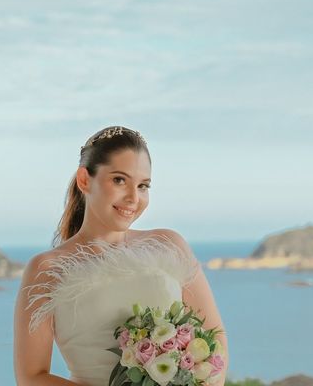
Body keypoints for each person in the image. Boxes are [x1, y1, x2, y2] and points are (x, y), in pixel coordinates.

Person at [13, 126, 229, 386]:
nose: (133, 198)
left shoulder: (169, 245)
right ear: (84, 180)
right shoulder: (47, 268)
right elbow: (31, 376)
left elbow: (214, 341)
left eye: (143, 185)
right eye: (119, 180)